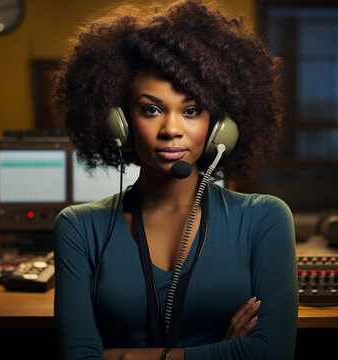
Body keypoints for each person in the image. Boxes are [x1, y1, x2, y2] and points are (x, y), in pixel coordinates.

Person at [52, 1, 298, 359]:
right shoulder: (78, 228)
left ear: (219, 126)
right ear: (119, 122)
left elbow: (272, 352)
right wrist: (224, 354)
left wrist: (121, 356)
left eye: (191, 110)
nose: (170, 129)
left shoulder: (265, 219)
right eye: (151, 109)